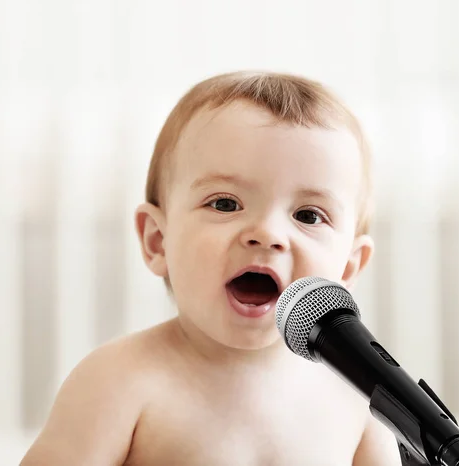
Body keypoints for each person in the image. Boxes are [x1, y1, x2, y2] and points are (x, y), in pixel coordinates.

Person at [21, 71, 401, 465]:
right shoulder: (118, 382)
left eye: (308, 214)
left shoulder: (356, 399)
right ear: (157, 241)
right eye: (225, 204)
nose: (267, 234)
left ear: (348, 267)